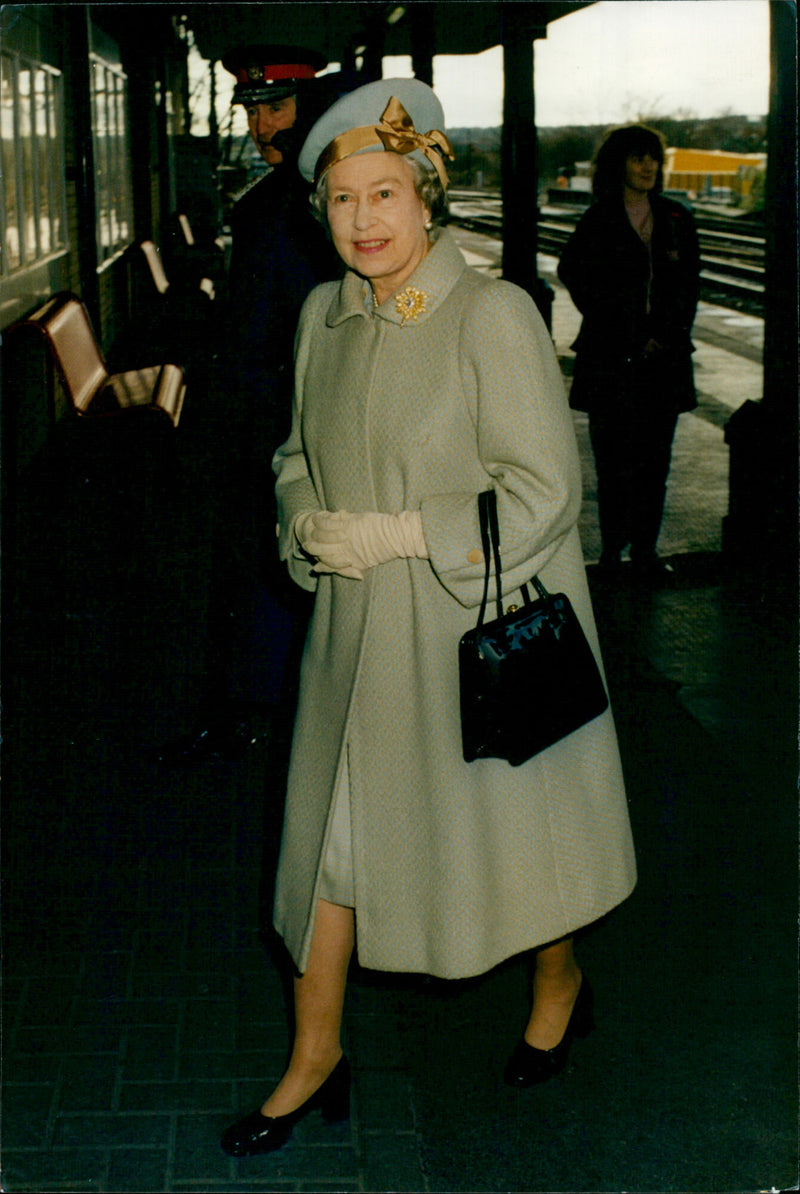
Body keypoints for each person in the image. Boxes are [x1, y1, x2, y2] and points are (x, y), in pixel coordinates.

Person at [221, 78, 637, 1157]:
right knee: (324, 847)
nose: (363, 220)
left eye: (385, 194)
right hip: (350, 641)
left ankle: (560, 981)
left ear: (427, 197)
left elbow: (544, 492)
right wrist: (306, 513)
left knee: (509, 853)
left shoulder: (488, 315)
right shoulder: (324, 315)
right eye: (343, 199)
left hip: (465, 638)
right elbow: (293, 457)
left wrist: (404, 534)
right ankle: (314, 1056)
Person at [159, 47, 351, 764]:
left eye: (277, 107)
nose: (263, 124)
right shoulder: (285, 198)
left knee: (267, 570)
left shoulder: (296, 203)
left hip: (279, 416)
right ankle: (260, 712)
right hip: (272, 410)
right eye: (253, 109)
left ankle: (256, 718)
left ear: (310, 111)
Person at [557, 124, 700, 580]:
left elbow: (690, 289)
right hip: (612, 361)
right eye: (638, 158)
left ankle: (645, 552)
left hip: (664, 362)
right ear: (618, 164)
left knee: (656, 461)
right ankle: (612, 552)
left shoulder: (677, 219)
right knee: (614, 463)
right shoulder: (598, 220)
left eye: (653, 159)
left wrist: (666, 334)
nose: (648, 167)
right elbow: (576, 276)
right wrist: (628, 331)